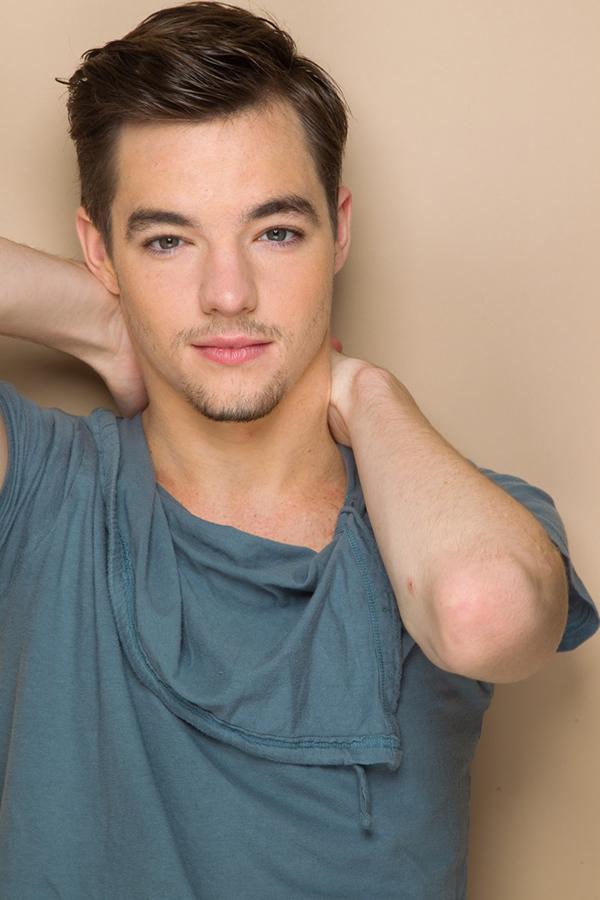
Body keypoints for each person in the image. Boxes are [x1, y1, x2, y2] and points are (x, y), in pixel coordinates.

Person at [0, 3, 596, 898]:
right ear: (100, 250)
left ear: (339, 229)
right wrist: (94, 318)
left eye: (275, 231)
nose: (228, 293)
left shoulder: (457, 514)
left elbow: (483, 614)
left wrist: (369, 394)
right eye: (167, 240)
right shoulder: (43, 487)